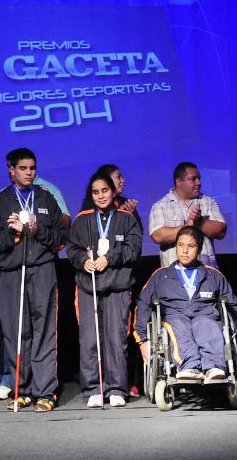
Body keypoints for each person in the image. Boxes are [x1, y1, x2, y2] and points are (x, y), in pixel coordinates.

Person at [0, 148, 68, 412]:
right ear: (11, 170)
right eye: (23, 168)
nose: (29, 172)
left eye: (32, 167)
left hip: (42, 270)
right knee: (15, 332)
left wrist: (36, 229)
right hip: (12, 273)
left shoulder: (46, 198)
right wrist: (13, 234)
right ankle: (22, 389)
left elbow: (61, 238)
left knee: (44, 331)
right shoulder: (1, 201)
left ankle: (46, 391)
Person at [67, 172, 142, 407]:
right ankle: (93, 389)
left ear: (113, 191)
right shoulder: (82, 220)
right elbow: (72, 249)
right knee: (90, 339)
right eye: (95, 192)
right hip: (89, 287)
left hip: (117, 285)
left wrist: (110, 257)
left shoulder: (127, 219)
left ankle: (117, 388)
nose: (100, 196)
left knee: (116, 338)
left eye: (105, 191)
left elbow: (133, 250)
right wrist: (82, 261)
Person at [134, 226, 237, 382]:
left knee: (208, 324)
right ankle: (189, 366)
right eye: (180, 245)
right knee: (179, 326)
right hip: (174, 317)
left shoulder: (213, 275)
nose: (184, 251)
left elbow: (233, 305)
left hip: (205, 315)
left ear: (199, 249)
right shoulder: (160, 276)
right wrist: (143, 340)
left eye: (191, 246)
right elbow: (143, 305)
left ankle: (213, 367)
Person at [149, 162, 226, 268]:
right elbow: (158, 236)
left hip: (206, 274)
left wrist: (200, 221)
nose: (198, 182)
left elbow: (221, 231)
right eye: (193, 179)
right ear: (179, 182)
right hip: (174, 276)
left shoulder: (208, 202)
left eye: (199, 178)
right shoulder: (161, 206)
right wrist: (188, 226)